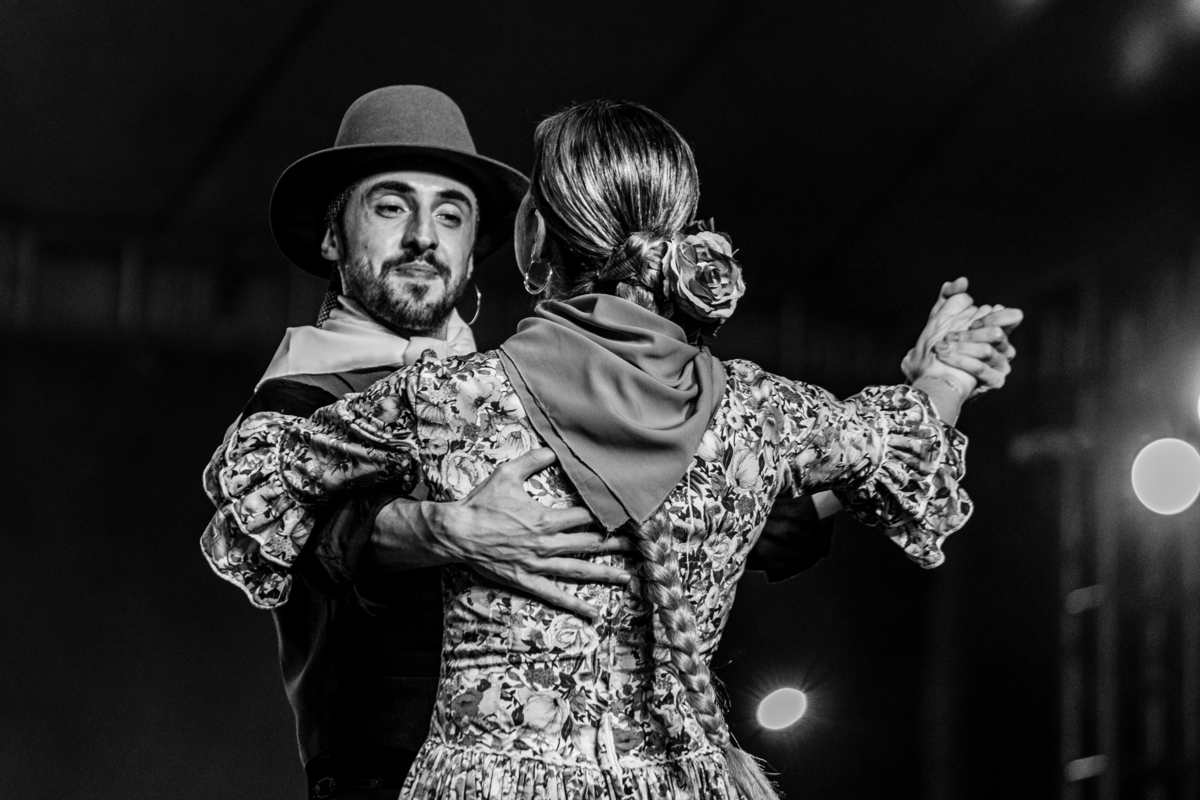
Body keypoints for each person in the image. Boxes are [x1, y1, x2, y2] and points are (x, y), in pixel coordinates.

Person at [203, 99, 1018, 799]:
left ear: (516, 239)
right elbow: (301, 536)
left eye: (450, 214)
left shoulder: (463, 395)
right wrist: (935, 388)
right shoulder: (323, 390)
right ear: (332, 236)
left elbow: (752, 521)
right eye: (391, 208)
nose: (424, 237)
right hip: (389, 772)